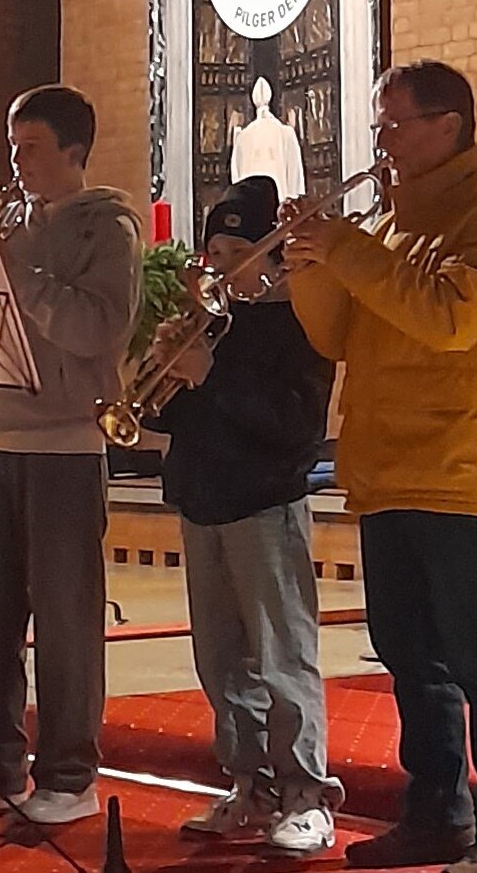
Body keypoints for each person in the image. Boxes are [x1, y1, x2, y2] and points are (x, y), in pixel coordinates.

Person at [283, 60, 477, 873]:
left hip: (461, 464)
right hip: (388, 465)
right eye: (380, 127)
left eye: (396, 126)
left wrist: (349, 251)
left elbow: (448, 316)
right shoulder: (390, 227)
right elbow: (338, 336)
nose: (383, 143)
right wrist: (309, 266)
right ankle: (437, 812)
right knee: (408, 655)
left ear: (450, 125)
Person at [0, 84, 142, 823]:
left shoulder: (109, 228)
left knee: (63, 615)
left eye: (29, 147)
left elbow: (96, 327)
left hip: (62, 440)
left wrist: (13, 269)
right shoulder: (11, 225)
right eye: (11, 145)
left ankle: (68, 773)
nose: (15, 161)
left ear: (73, 152)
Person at [147, 176, 343, 853]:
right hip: (203, 498)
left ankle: (305, 793)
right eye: (216, 251)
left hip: (265, 501)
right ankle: (247, 782)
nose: (222, 265)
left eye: (237, 251)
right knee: (221, 658)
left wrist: (211, 375)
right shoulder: (212, 320)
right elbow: (162, 415)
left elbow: (294, 425)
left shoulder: (300, 320)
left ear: (272, 254)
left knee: (281, 655)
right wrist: (165, 362)